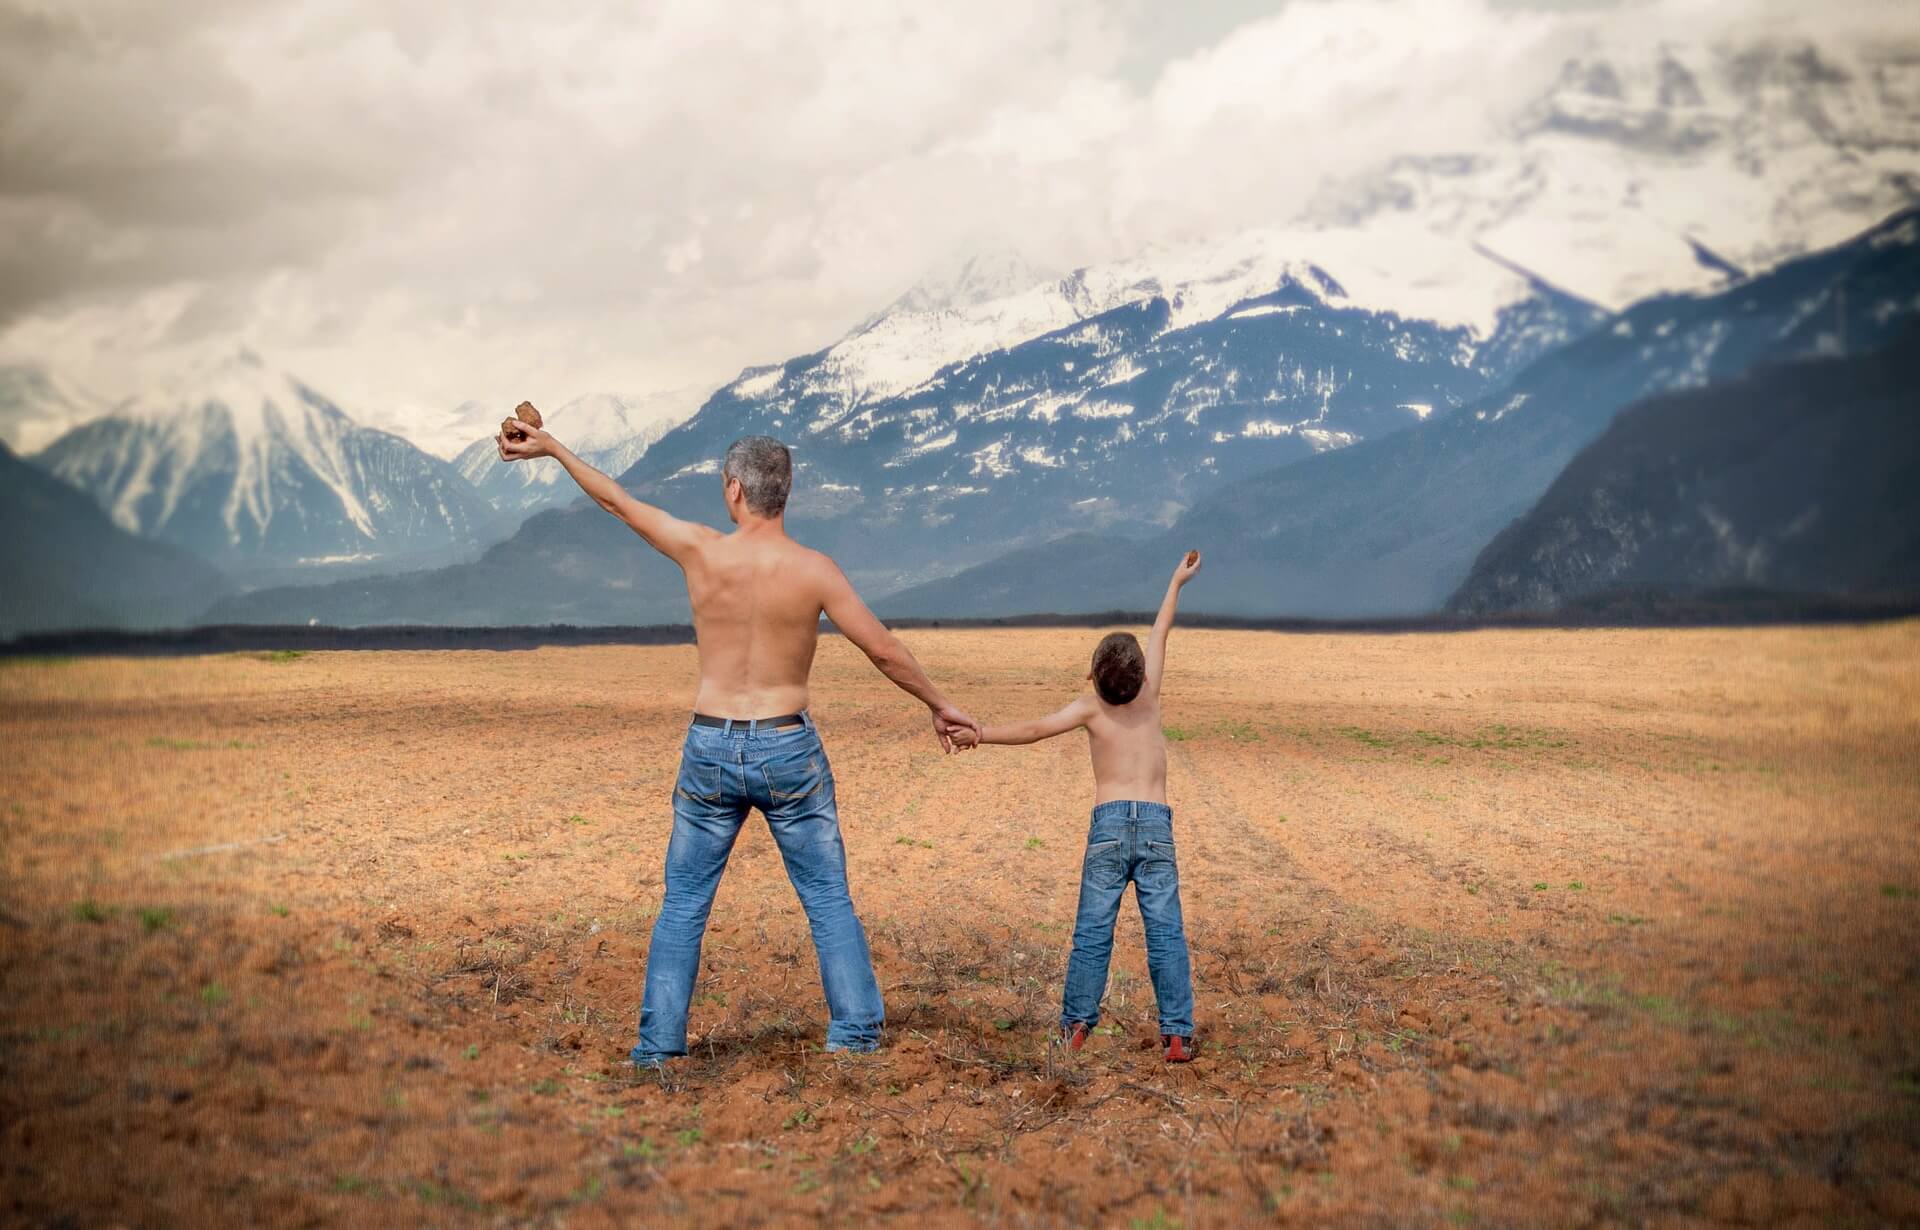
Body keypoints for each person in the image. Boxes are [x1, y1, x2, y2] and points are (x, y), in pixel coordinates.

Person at [496, 418, 979, 1066]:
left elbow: (615, 500)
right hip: (788, 747)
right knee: (828, 897)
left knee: (685, 904)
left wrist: (552, 448)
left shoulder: (702, 552)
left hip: (711, 745)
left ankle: (659, 1048)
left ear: (733, 492)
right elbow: (883, 649)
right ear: (785, 494)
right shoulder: (814, 570)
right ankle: (856, 1038)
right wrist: (940, 704)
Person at [953, 551, 1201, 1062]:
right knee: (1166, 934)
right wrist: (1176, 581)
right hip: (1155, 824)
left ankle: (1075, 1029)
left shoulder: (1089, 707)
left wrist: (981, 734)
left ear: (1092, 678)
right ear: (1139, 677)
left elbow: (1035, 729)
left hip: (1108, 825)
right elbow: (1162, 631)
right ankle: (1176, 1034)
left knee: (1092, 934)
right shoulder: (1150, 696)